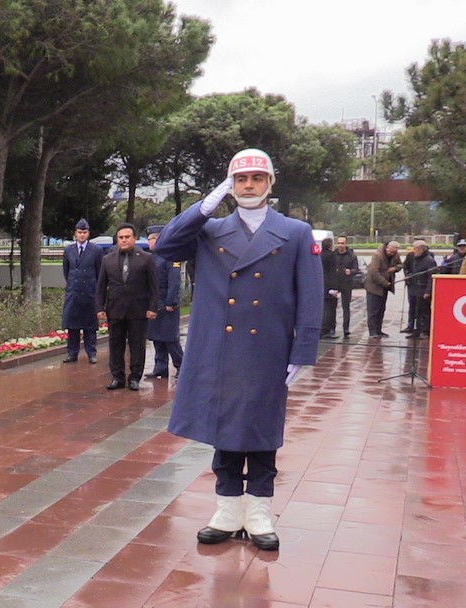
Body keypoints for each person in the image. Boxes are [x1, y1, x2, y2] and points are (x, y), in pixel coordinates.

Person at [155, 148, 322, 552]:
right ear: (230, 185)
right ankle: (228, 509)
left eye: (257, 179)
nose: (249, 186)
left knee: (262, 429)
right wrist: (203, 207)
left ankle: (260, 510)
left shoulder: (296, 232)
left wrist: (303, 349)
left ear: (270, 184)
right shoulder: (210, 231)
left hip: (268, 346)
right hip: (221, 347)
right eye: (240, 180)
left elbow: (311, 294)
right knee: (225, 427)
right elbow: (165, 246)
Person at [95, 223, 158, 391]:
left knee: (137, 345)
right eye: (120, 237)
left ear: (134, 238)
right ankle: (117, 377)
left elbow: (154, 286)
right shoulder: (107, 259)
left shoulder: (146, 258)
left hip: (138, 309)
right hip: (115, 309)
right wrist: (99, 307)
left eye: (127, 237)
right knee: (115, 344)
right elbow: (101, 285)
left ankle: (135, 377)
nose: (123, 240)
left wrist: (153, 307)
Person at [61, 219, 103, 363]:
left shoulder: (96, 250)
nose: (82, 235)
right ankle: (72, 353)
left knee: (90, 326)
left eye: (84, 232)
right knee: (73, 326)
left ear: (88, 234)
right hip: (73, 292)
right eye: (80, 232)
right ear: (75, 233)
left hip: (90, 292)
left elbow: (99, 272)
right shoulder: (68, 250)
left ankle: (91, 353)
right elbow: (66, 271)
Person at [145, 225, 183, 379]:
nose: (149, 243)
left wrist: (171, 302)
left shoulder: (171, 256)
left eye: (151, 239)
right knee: (157, 338)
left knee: (170, 338)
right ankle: (160, 367)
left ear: (158, 238)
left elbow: (174, 281)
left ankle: (181, 365)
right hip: (155, 303)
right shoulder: (152, 257)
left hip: (167, 304)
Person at [363, 240, 401, 339]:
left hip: (385, 288)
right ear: (387, 248)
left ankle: (379, 330)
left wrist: (395, 268)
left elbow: (401, 265)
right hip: (374, 287)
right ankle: (372, 332)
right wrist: (385, 283)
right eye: (391, 252)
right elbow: (373, 272)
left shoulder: (395, 255)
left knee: (381, 309)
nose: (392, 254)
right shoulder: (377, 256)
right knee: (373, 310)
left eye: (394, 252)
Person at [402, 239, 438, 338]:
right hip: (413, 288)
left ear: (422, 249)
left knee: (424, 311)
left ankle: (424, 331)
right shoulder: (414, 258)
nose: (414, 250)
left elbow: (432, 277)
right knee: (414, 310)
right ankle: (415, 331)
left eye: (416, 248)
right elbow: (410, 269)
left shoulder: (429, 260)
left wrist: (428, 291)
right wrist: (408, 276)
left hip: (423, 289)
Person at [331, 235, 359, 338]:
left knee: (346, 307)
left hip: (347, 283)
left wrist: (350, 271)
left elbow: (356, 269)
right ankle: (331, 328)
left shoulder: (351, 256)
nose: (340, 245)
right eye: (339, 243)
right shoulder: (333, 254)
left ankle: (346, 328)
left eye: (342, 243)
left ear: (346, 244)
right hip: (335, 283)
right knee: (331, 307)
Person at [319, 237, 338, 339]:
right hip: (329, 285)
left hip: (321, 285)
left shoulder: (319, 255)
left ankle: (322, 329)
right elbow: (332, 272)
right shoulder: (331, 256)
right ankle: (326, 330)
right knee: (330, 309)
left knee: (323, 308)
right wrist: (334, 287)